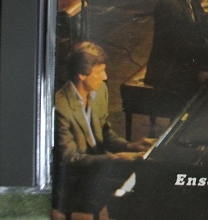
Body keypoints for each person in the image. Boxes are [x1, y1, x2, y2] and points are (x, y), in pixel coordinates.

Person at [53, 41, 153, 215]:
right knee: (136, 194)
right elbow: (71, 159)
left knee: (147, 177)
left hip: (98, 166)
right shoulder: (60, 106)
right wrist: (116, 158)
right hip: (74, 180)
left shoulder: (100, 91)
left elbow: (106, 134)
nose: (105, 76)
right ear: (82, 75)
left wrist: (130, 146)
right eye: (99, 72)